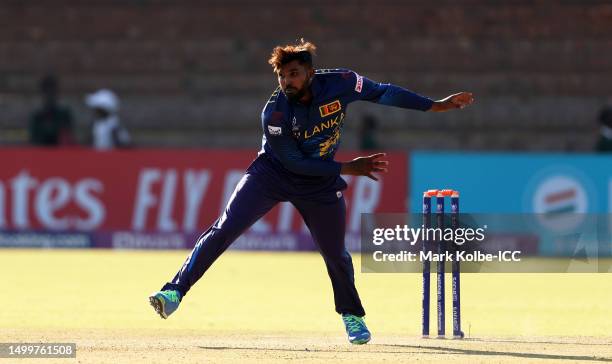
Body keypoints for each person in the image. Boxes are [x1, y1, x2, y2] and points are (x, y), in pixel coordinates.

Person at [148, 39, 474, 344]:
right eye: (281, 76)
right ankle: (173, 292)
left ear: (310, 73)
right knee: (225, 228)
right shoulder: (274, 113)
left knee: (335, 253)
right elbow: (294, 163)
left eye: (293, 74)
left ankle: (352, 316)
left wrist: (434, 106)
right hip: (273, 173)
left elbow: (384, 93)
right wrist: (349, 168)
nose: (287, 82)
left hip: (319, 183)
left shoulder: (343, 83)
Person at [28, 74, 74, 146]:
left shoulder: (64, 114)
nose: (49, 95)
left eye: (52, 91)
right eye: (47, 91)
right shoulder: (37, 116)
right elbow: (33, 139)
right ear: (43, 93)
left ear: (56, 92)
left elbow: (69, 137)